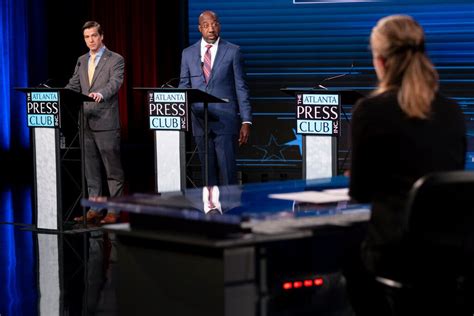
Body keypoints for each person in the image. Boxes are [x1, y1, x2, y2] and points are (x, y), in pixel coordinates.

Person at [346, 15, 466, 314]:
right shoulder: (452, 111)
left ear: (382, 62)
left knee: (344, 256)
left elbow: (360, 192)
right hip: (452, 258)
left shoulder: (370, 110)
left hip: (396, 257)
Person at [178, 10, 252, 186]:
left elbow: (241, 87)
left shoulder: (233, 51)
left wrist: (246, 120)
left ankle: (231, 210)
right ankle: (210, 209)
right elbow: (183, 86)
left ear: (219, 25)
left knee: (227, 170)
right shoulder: (188, 54)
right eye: (206, 25)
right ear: (199, 28)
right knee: (206, 172)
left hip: (225, 119)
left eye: (214, 24)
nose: (211, 28)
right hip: (199, 119)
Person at [66, 21, 125, 224]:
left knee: (112, 170)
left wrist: (101, 93)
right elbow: (74, 84)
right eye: (87, 37)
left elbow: (115, 83)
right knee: (91, 170)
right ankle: (95, 208)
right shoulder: (82, 60)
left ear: (101, 36)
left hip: (106, 121)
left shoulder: (115, 59)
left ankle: (114, 211)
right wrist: (59, 94)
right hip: (85, 122)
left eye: (94, 36)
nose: (90, 40)